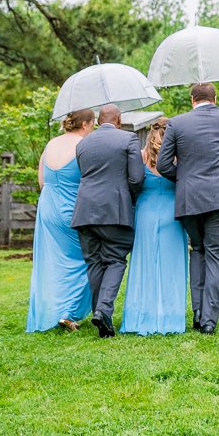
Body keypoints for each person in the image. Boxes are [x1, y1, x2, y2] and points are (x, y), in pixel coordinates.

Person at [158, 83, 219, 335]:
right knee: (216, 255)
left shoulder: (177, 122)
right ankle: (209, 320)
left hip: (190, 197)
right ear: (214, 98)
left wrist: (184, 178)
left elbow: (163, 164)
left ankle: (197, 313)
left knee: (198, 250)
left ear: (192, 99)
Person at [71, 104, 144, 338]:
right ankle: (103, 310)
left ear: (98, 120)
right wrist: (129, 200)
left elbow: (85, 174)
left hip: (84, 210)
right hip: (115, 210)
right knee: (115, 260)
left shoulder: (82, 144)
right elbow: (136, 178)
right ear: (119, 120)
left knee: (94, 262)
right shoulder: (128, 139)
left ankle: (99, 314)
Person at [26, 109, 95, 333]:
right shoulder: (83, 146)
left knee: (55, 262)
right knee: (86, 260)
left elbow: (42, 181)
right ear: (85, 124)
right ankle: (69, 313)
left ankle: (56, 310)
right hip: (71, 207)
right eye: (92, 124)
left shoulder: (51, 145)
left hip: (47, 207)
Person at [120, 117, 188, 336]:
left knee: (144, 262)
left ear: (150, 134)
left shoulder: (141, 156)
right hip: (172, 213)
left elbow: (131, 183)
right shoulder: (177, 158)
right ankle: (169, 317)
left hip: (145, 212)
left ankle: (141, 315)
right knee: (171, 264)